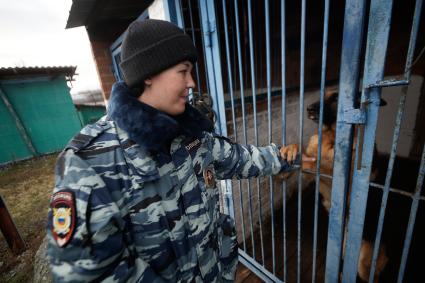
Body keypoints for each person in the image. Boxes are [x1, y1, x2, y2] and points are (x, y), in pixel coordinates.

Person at [47, 19, 311, 282]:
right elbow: (90, 274)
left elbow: (237, 159)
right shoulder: (89, 164)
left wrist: (284, 157)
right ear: (148, 74)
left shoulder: (189, 132)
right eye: (183, 71)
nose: (192, 83)